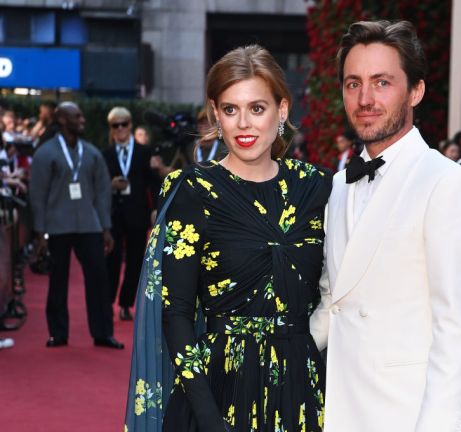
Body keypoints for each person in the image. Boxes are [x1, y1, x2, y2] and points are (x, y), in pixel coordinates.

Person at [125, 45, 331, 432]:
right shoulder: (194, 190)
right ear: (215, 114)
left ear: (282, 110)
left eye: (257, 108)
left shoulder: (317, 187)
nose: (244, 124)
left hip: (300, 390)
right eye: (231, 109)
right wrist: (208, 418)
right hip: (217, 390)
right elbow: (176, 314)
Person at [310, 20, 461, 432]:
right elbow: (334, 300)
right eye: (353, 83)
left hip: (407, 415)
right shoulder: (338, 185)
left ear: (416, 91)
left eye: (382, 82)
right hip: (343, 408)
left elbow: (455, 330)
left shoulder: (449, 184)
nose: (365, 98)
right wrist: (271, 353)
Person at [29, 102, 123, 349]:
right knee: (57, 280)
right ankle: (58, 333)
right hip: (57, 225)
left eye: (82, 116)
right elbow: (37, 194)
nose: (82, 120)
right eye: (77, 116)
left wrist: (106, 227)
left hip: (89, 225)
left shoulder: (91, 153)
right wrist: (39, 232)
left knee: (99, 279)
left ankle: (103, 333)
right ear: (62, 120)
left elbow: (102, 192)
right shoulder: (45, 153)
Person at [102, 107, 158, 321]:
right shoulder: (105, 154)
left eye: (123, 124)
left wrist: (156, 208)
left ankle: (126, 304)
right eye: (115, 125)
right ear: (110, 128)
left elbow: (154, 183)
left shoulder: (145, 152)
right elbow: (98, 184)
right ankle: (107, 303)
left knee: (135, 261)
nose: (120, 129)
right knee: (112, 260)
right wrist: (110, 184)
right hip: (114, 214)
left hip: (138, 213)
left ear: (130, 125)